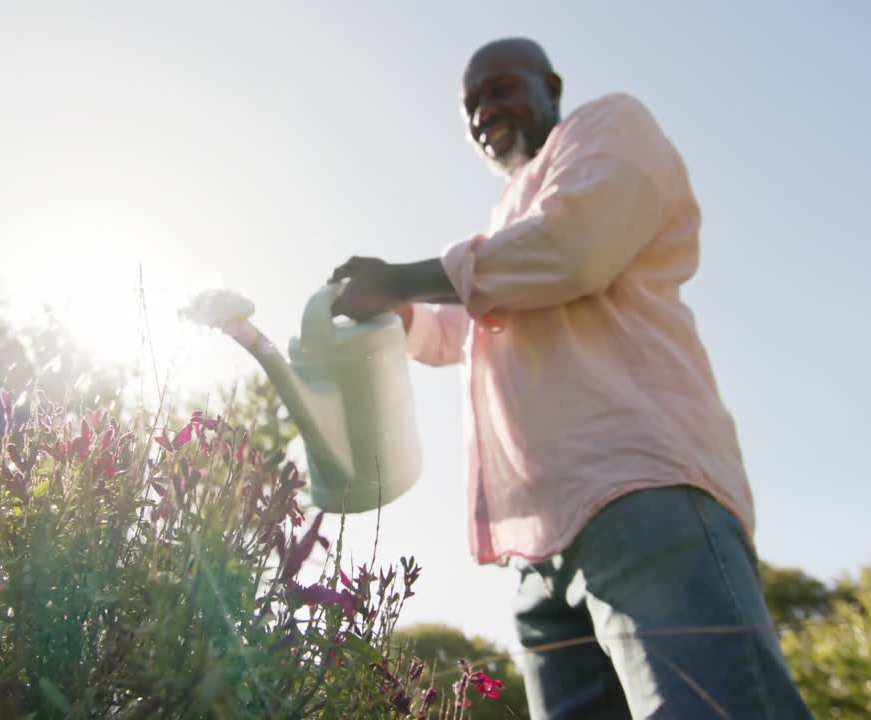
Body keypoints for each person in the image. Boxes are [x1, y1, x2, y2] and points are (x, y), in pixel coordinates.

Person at [327, 37, 814, 719]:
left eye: (500, 88)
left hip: (640, 497)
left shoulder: (609, 127)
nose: (483, 111)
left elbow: (570, 249)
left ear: (551, 87)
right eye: (470, 104)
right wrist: (396, 311)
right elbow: (457, 332)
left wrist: (400, 278)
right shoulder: (505, 224)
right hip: (538, 550)